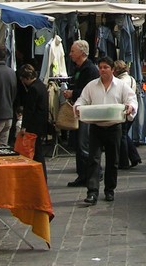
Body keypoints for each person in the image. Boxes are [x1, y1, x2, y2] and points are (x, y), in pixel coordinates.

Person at [74, 56, 138, 205]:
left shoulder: (121, 86)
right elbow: (82, 100)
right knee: (93, 159)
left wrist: (130, 107)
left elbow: (131, 99)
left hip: (114, 127)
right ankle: (92, 192)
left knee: (112, 161)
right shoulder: (91, 86)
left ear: (112, 69)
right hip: (96, 127)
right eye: (100, 67)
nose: (102, 70)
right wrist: (77, 107)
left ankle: (109, 190)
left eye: (105, 67)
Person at [64, 40, 100, 187]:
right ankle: (83, 175)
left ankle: (93, 175)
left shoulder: (90, 69)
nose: (70, 54)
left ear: (82, 52)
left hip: (87, 112)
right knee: (79, 145)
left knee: (84, 144)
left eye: (73, 51)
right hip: (79, 110)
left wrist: (73, 93)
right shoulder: (79, 68)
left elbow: (89, 92)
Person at [17, 64, 49, 178]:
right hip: (41, 123)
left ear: (25, 78)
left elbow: (29, 110)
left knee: (36, 152)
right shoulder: (41, 86)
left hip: (34, 125)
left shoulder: (33, 89)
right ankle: (42, 176)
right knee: (38, 151)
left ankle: (40, 177)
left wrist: (24, 127)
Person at [113, 60, 142, 169]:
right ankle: (134, 157)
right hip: (131, 110)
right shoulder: (131, 78)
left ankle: (124, 161)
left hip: (124, 110)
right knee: (124, 135)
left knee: (122, 136)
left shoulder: (120, 82)